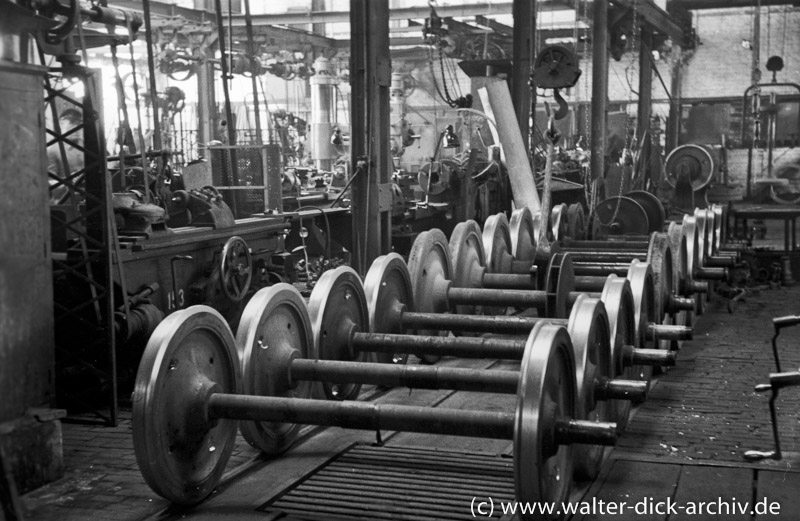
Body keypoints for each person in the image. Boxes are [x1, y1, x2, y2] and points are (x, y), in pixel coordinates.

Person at [47, 108, 84, 203]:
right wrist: (69, 181)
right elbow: (49, 184)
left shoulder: (87, 147)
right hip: (66, 200)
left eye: (78, 124)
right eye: (72, 124)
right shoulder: (53, 150)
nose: (76, 128)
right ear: (61, 124)